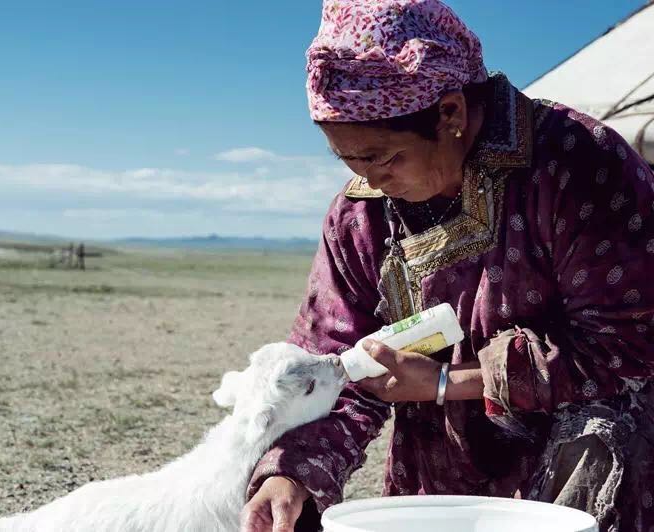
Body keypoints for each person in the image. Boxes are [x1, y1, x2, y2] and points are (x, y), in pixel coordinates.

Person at [240, 1, 654, 531]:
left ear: (451, 114)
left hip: (587, 470)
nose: (369, 178)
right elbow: (334, 364)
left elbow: (629, 341)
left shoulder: (578, 165)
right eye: (348, 159)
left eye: (384, 157)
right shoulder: (361, 215)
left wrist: (447, 382)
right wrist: (290, 473)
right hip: (442, 477)